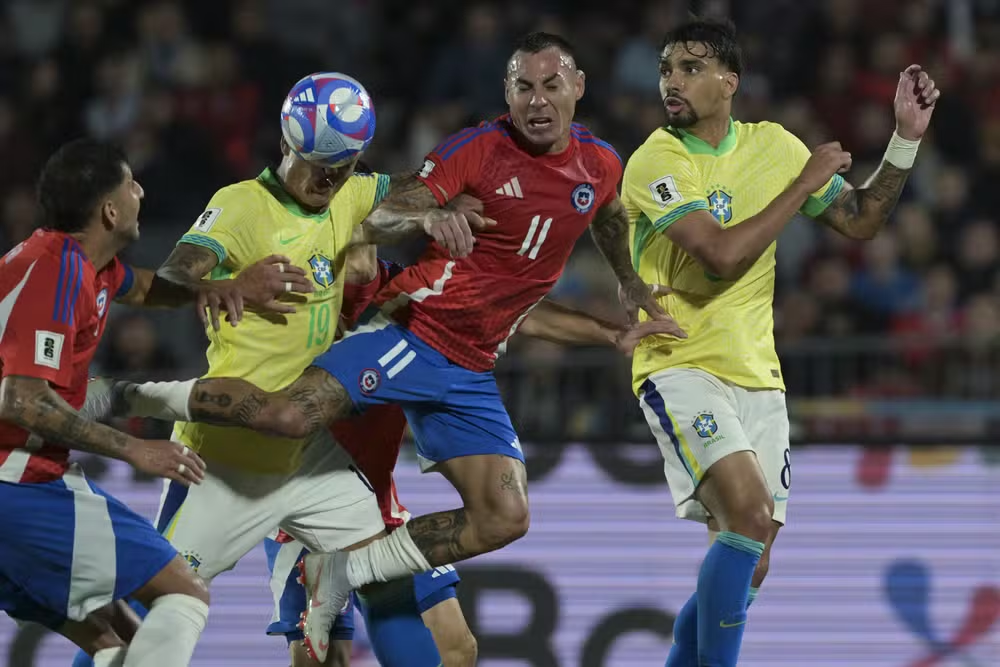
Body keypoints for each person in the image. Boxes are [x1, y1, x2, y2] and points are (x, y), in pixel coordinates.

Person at [113, 32, 682, 662]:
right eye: (524, 85)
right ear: (285, 145)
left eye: (342, 166)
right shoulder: (247, 207)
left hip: (351, 473)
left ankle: (339, 572)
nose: (328, 179)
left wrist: (620, 300)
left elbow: (477, 274)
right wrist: (228, 282)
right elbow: (171, 280)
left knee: (459, 636)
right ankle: (125, 397)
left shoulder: (364, 197)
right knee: (194, 611)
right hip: (240, 455)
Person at [620, 19, 939, 667]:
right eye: (667, 69)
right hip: (679, 364)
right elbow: (718, 256)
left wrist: (903, 141)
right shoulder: (658, 158)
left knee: (752, 557)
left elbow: (860, 220)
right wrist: (801, 186)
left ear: (728, 82)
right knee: (748, 513)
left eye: (690, 67)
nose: (672, 81)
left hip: (758, 377)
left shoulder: (774, 146)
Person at [260, 250, 674, 667]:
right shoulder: (301, 296)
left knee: (457, 649)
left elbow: (510, 313)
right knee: (326, 658)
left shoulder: (404, 289)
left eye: (366, 231)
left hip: (379, 501)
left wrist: (612, 332)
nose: (361, 240)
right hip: (308, 501)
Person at [0, 138, 302, 667]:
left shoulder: (81, 265)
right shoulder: (55, 273)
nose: (142, 191)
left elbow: (144, 288)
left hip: (25, 484)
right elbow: (22, 400)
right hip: (19, 486)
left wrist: (227, 286)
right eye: (131, 183)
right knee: (183, 593)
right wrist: (134, 450)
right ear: (110, 210)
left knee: (119, 643)